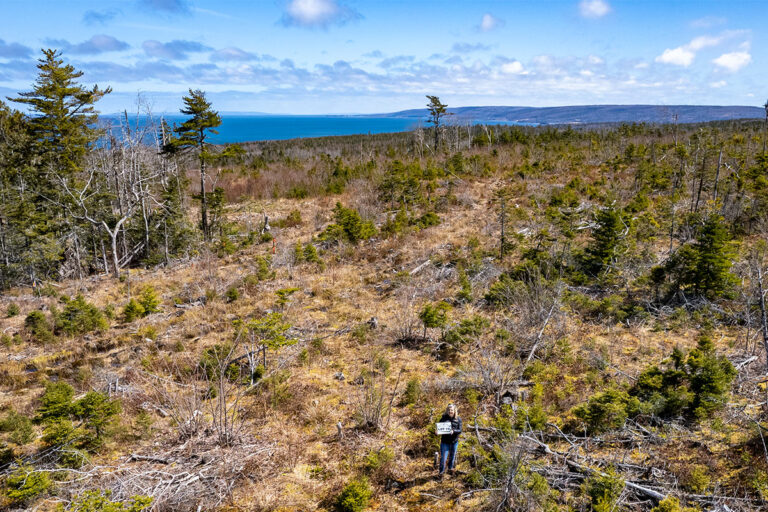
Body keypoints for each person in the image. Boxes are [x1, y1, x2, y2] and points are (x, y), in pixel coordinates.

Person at [437, 403, 461, 478]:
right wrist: (437, 432)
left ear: (454, 410)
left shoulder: (458, 419)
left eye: (452, 410)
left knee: (452, 456)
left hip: (454, 442)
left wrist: (454, 431)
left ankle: (450, 469)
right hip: (445, 442)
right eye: (449, 410)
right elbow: (439, 428)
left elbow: (460, 430)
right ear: (447, 410)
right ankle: (441, 473)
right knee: (443, 458)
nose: (450, 411)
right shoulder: (443, 418)